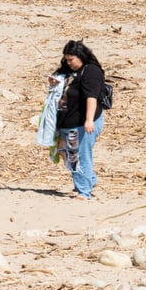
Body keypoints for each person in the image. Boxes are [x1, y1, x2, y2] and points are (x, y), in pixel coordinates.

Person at [53, 40, 107, 200]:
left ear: (81, 56)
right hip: (66, 122)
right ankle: (89, 180)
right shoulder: (68, 72)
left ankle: (84, 191)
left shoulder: (91, 71)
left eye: (71, 59)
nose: (68, 63)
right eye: (66, 60)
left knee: (80, 155)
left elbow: (92, 97)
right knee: (65, 153)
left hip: (83, 123)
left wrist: (89, 120)